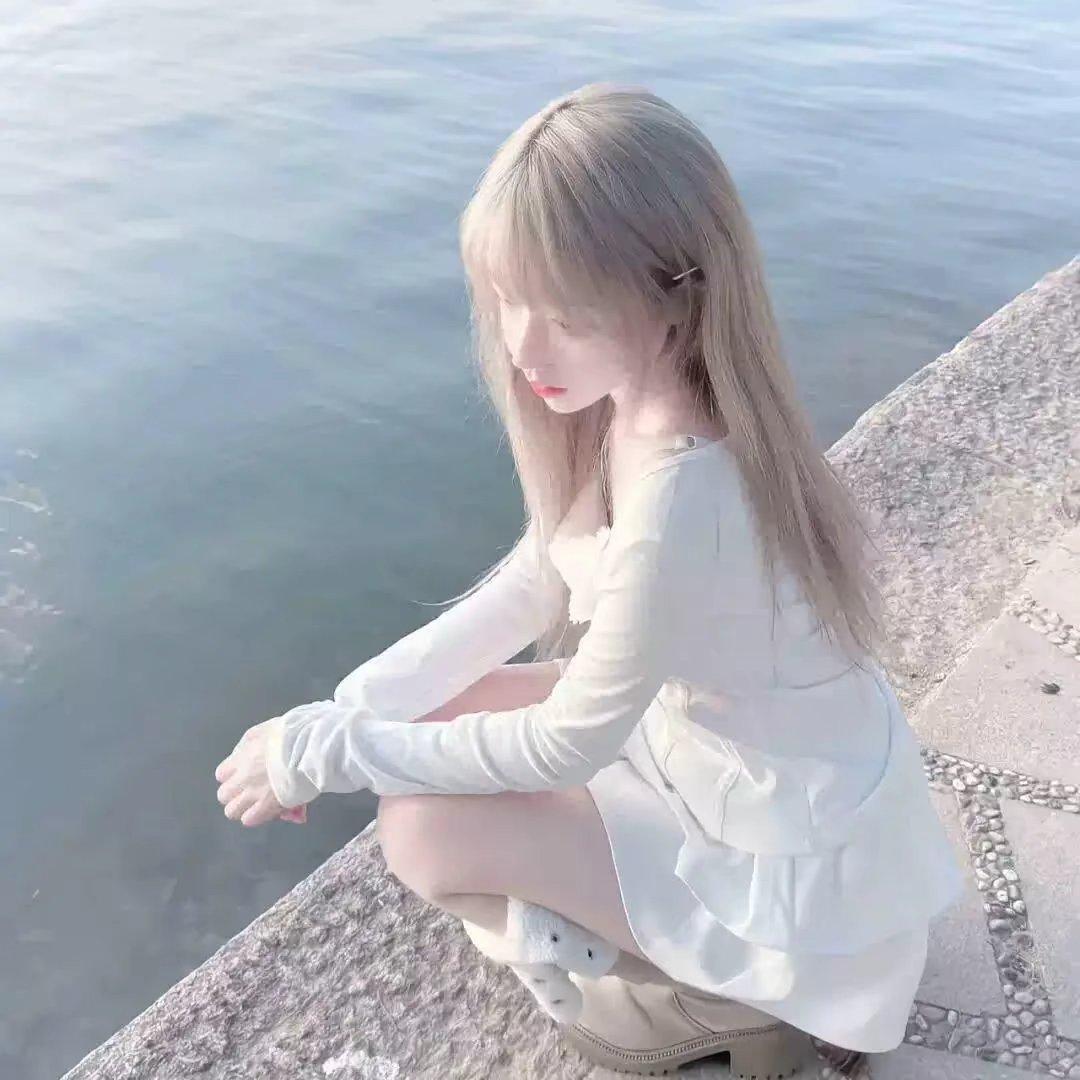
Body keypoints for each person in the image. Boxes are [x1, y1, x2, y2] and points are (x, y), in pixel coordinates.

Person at [214, 83, 964, 1072]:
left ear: (676, 295)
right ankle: (666, 955)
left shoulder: (685, 493)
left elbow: (568, 742)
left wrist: (337, 752)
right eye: (507, 300)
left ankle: (728, 1002)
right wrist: (337, 717)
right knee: (429, 721)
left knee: (423, 832)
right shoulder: (642, 407)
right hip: (708, 757)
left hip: (773, 844)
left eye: (564, 313)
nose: (523, 347)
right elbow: (530, 586)